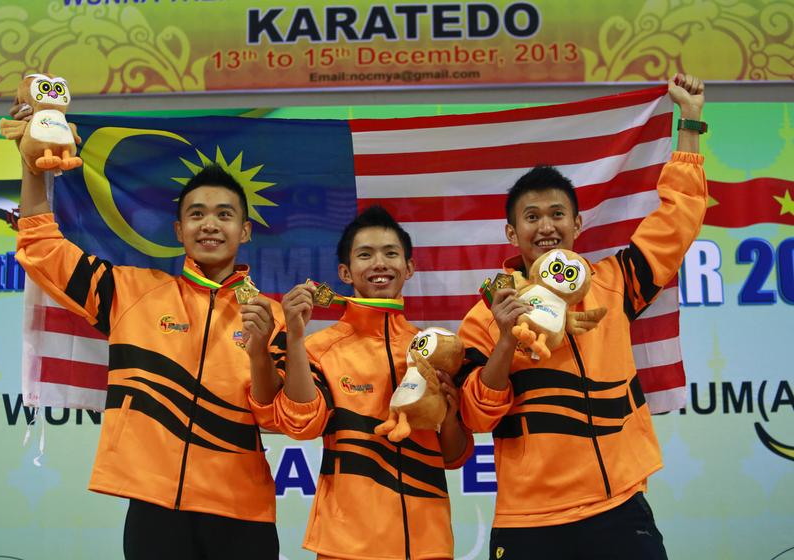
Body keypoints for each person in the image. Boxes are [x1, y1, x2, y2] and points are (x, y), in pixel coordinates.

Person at [13, 101, 287, 560]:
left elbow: (280, 417)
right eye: (197, 214)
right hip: (154, 509)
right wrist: (30, 164)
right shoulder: (132, 292)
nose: (210, 224)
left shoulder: (268, 314)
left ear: (246, 231)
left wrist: (262, 352)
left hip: (242, 512)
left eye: (225, 214)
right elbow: (42, 247)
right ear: (179, 230)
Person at [456, 74, 707, 559]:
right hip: (529, 519)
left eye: (556, 214)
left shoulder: (614, 283)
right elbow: (475, 416)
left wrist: (690, 121)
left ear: (577, 224)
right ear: (512, 233)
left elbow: (677, 221)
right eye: (531, 217)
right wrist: (507, 339)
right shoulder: (487, 314)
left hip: (618, 506)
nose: (545, 226)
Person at [260, 205, 473, 560]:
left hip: (428, 544)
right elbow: (300, 425)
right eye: (365, 254)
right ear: (346, 271)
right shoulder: (319, 349)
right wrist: (295, 339)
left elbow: (454, 456)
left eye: (391, 253)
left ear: (409, 268)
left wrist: (449, 416)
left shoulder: (434, 347)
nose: (379, 263)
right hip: (346, 545)